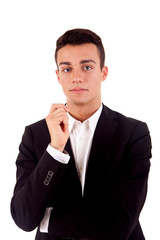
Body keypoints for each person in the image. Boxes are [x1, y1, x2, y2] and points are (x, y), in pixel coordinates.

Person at [10, 28, 152, 240]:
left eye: (87, 67)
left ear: (103, 72)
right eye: (67, 69)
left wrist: (48, 220)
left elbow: (119, 225)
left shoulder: (133, 133)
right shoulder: (35, 134)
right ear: (58, 76)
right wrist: (55, 150)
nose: (77, 77)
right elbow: (24, 217)